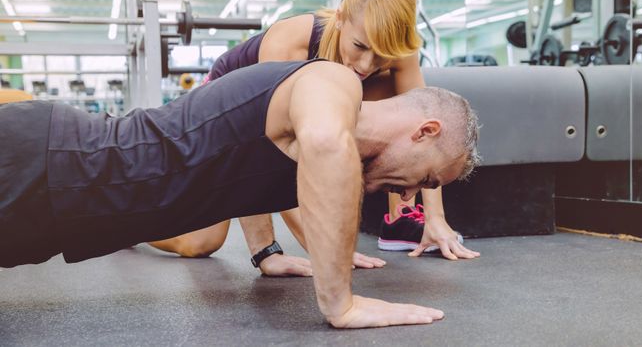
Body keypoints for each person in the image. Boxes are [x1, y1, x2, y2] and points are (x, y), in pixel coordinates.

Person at [0, 59, 479, 328]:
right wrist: (341, 303)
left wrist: (266, 252)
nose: (414, 194)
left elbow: (251, 162)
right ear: (425, 131)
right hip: (40, 160)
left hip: (48, 218)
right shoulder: (331, 83)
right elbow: (325, 145)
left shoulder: (308, 140)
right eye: (428, 180)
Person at [150, 0, 480, 269]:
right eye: (360, 46)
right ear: (340, 18)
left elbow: (427, 138)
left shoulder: (397, 56)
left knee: (390, 100)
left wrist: (436, 219)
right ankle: (137, 229)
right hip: (226, 103)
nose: (366, 66)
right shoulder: (292, 42)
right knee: (201, 242)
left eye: (381, 56)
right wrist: (278, 251)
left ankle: (400, 219)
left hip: (281, 119)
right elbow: (258, 153)